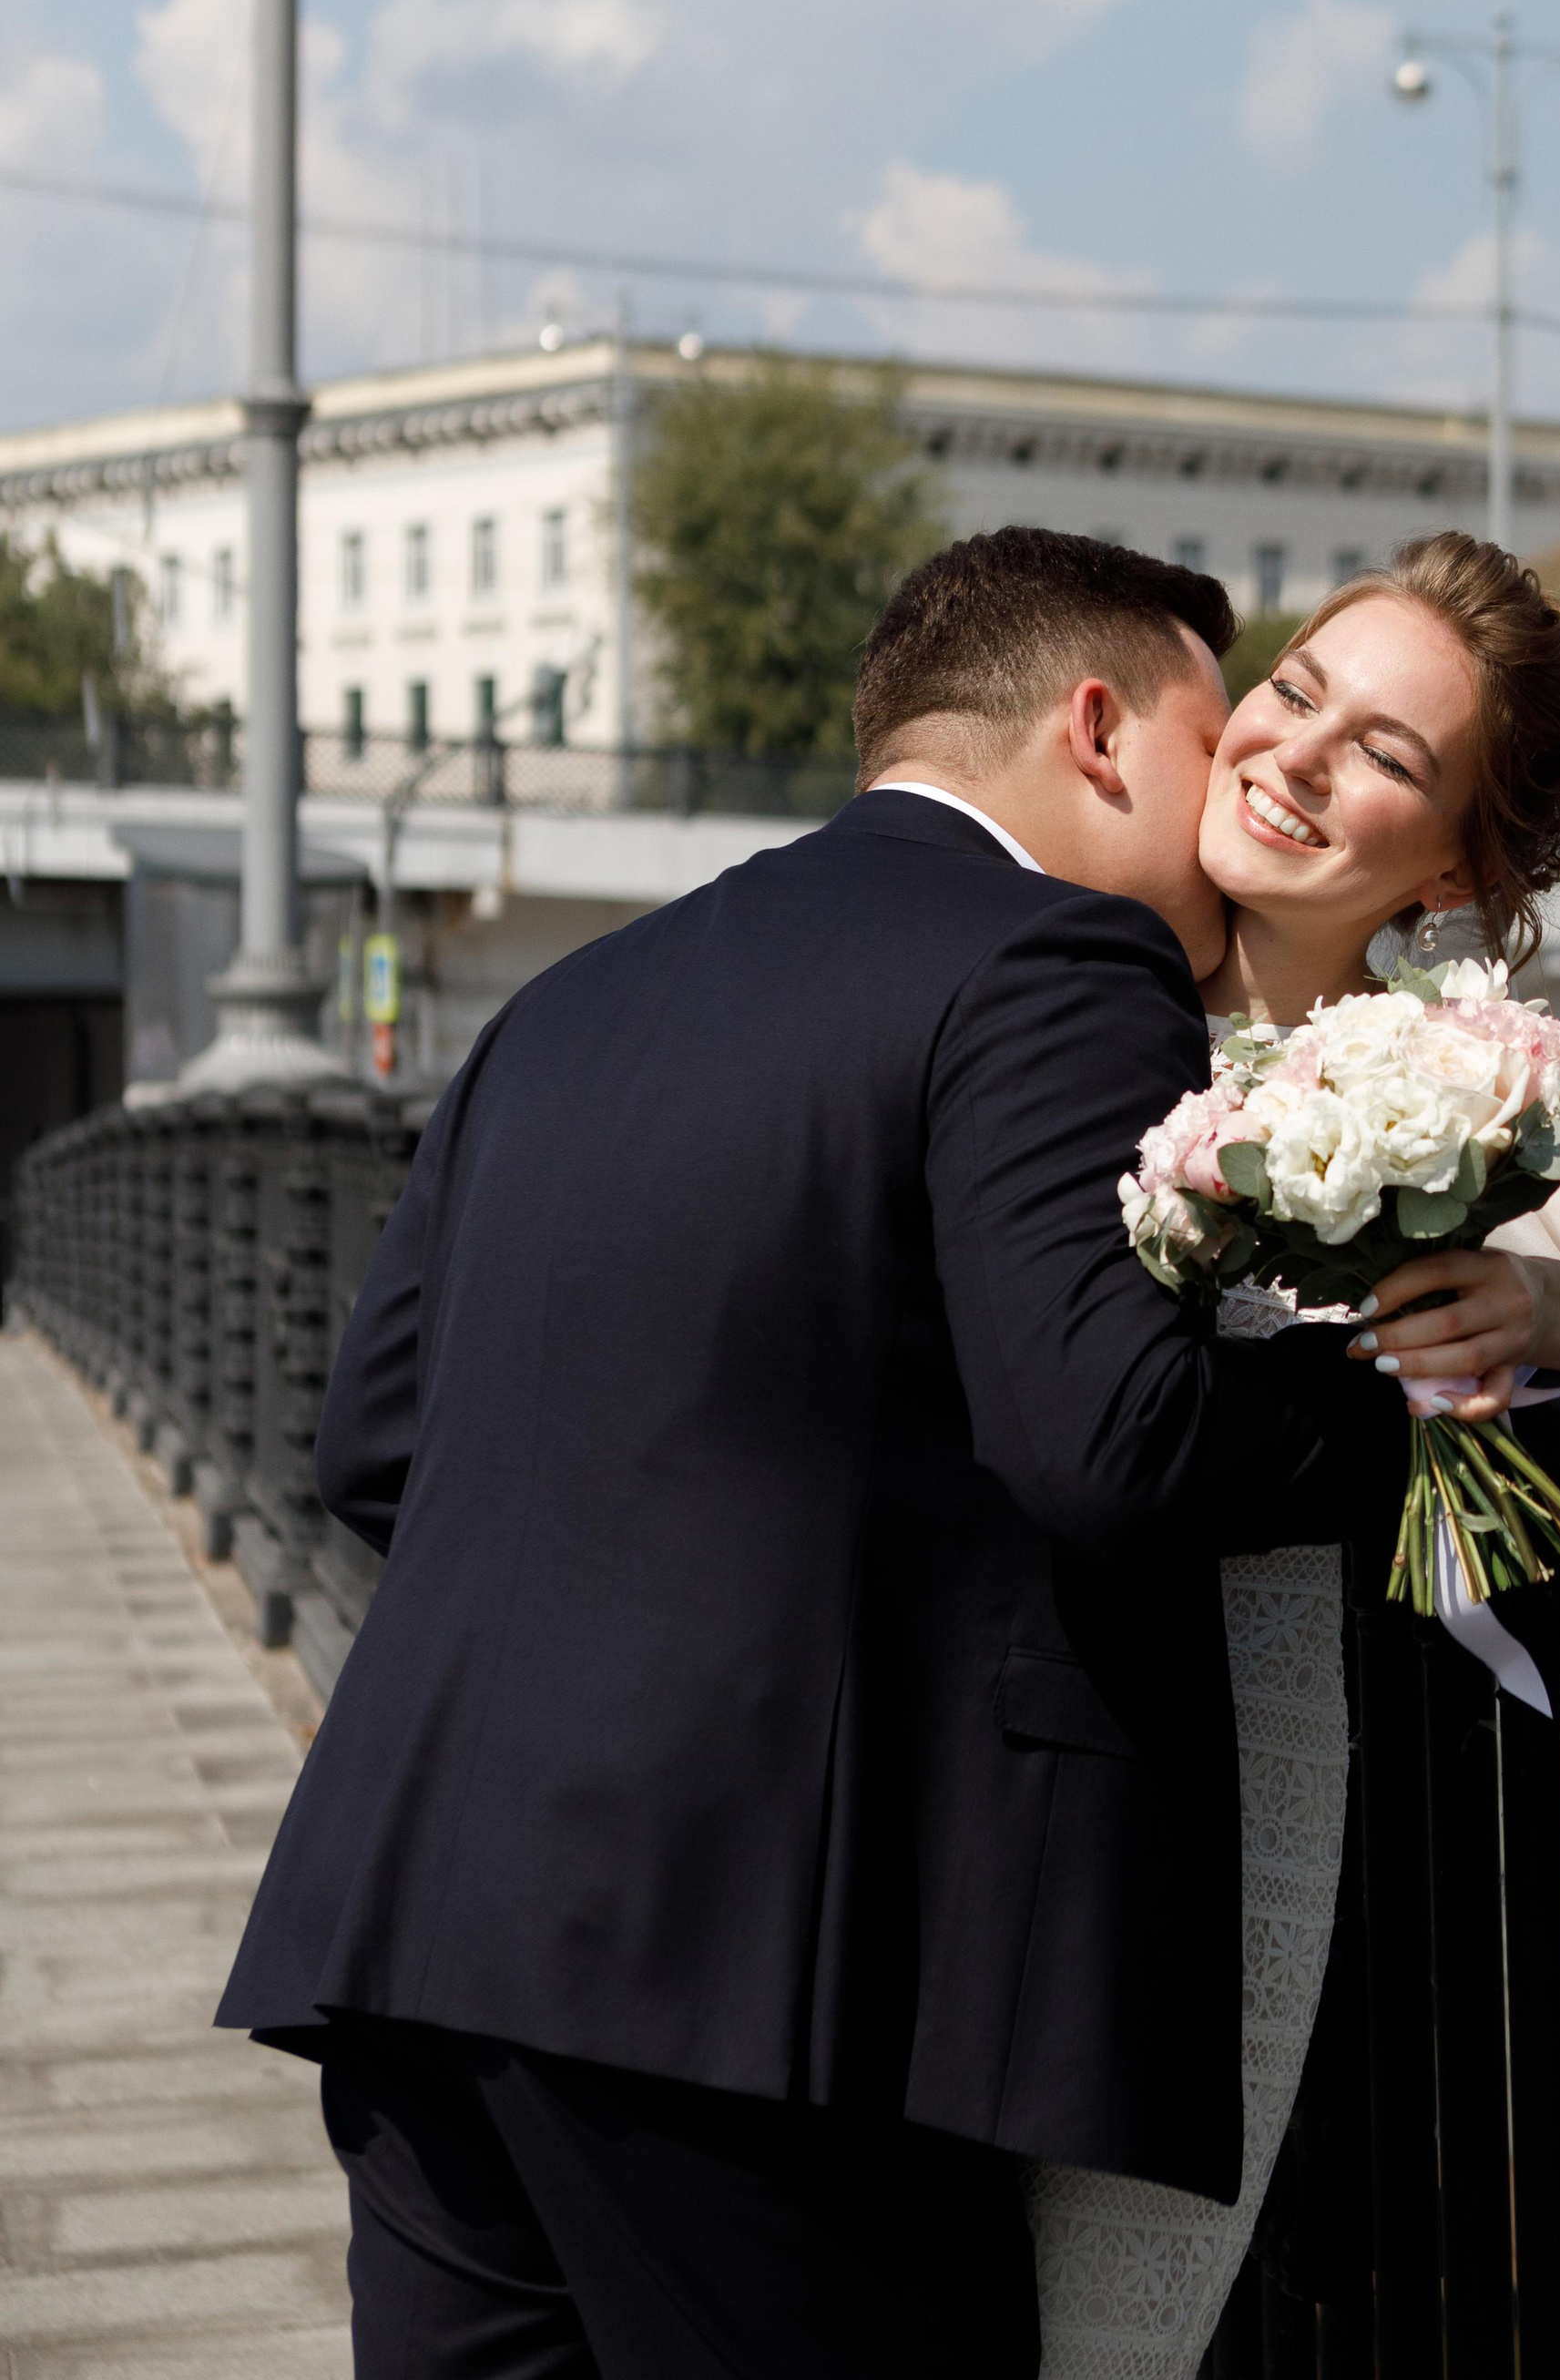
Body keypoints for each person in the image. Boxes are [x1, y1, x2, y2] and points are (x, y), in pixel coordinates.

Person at [216, 528, 1412, 2380]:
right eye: (1212, 729)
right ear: (1098, 732)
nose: (1236, 785)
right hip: (755, 1982)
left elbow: (372, 1438)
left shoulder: (582, 994)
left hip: (419, 1917)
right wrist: (1401, 1404)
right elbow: (1108, 1435)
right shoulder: (1054, 954)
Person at [1027, 530, 1560, 2376]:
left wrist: (1548, 1314)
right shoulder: (1059, 1013)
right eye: (1294, 691)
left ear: (1457, 862)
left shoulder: (1443, 1078)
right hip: (1089, 1818)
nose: (1295, 755)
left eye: (1384, 755)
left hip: (1388, 1838)